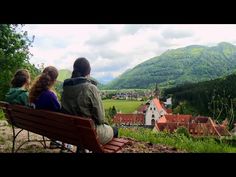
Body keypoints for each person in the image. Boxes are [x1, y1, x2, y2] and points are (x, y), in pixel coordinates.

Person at [61, 57, 118, 152]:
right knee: (115, 130)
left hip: (70, 133)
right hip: (90, 135)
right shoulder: (90, 88)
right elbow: (100, 119)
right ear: (88, 72)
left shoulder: (65, 88)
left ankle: (81, 150)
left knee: (83, 128)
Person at [29, 66, 72, 150]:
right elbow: (59, 111)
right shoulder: (50, 95)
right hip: (53, 128)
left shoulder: (33, 92)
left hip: (38, 125)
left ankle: (54, 142)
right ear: (54, 81)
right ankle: (62, 143)